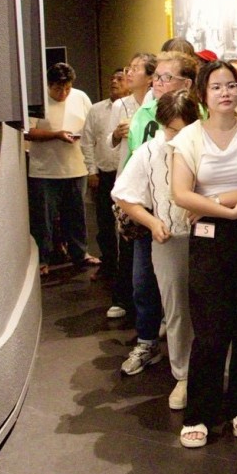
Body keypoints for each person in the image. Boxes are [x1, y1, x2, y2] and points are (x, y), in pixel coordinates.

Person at [169, 60, 237, 448]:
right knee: (211, 331)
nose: (225, 93)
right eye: (216, 87)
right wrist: (226, 209)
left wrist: (214, 202)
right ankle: (199, 413)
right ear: (203, 94)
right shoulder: (188, 138)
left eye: (231, 85)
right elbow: (180, 193)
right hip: (208, 237)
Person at [111, 91, 200, 411]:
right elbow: (123, 195)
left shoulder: (207, 146)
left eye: (184, 129)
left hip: (211, 239)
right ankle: (184, 376)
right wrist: (151, 222)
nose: (177, 136)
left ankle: (225, 373)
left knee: (216, 307)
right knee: (177, 311)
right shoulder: (149, 151)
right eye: (171, 129)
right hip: (169, 239)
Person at [25, 62, 99, 276]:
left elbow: (91, 126)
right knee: (44, 218)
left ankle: (80, 253)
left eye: (67, 88)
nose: (63, 93)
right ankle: (42, 259)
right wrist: (56, 135)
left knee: (77, 214)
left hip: (76, 167)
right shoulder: (37, 100)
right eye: (58, 89)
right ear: (48, 85)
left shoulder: (80, 97)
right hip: (44, 170)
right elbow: (28, 132)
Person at [106, 52, 155, 319]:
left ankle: (154, 311)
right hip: (127, 176)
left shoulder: (158, 103)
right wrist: (116, 134)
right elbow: (109, 143)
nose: (129, 73)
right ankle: (122, 299)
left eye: (136, 68)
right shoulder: (120, 105)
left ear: (150, 77)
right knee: (126, 241)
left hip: (154, 181)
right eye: (129, 68)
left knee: (149, 249)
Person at [82, 68, 128, 283]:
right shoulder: (97, 110)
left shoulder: (133, 109)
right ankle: (108, 264)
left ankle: (126, 268)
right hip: (104, 175)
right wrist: (92, 171)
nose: (114, 82)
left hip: (126, 175)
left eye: (120, 79)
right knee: (104, 222)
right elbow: (87, 141)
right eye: (113, 78)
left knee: (128, 222)